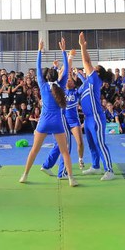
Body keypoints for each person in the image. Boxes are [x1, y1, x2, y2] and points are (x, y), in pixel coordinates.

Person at [18, 38, 78, 187]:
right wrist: (64, 51)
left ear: (45, 77)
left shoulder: (43, 85)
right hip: (57, 123)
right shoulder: (62, 84)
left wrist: (39, 50)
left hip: (44, 122)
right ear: (57, 76)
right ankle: (71, 179)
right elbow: (67, 70)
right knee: (65, 152)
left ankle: (25, 175)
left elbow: (37, 67)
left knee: (34, 150)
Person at [42, 49, 86, 177]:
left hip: (66, 120)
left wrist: (61, 63)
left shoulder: (73, 91)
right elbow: (65, 72)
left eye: (71, 80)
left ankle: (47, 165)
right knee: (66, 145)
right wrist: (69, 57)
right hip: (62, 120)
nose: (69, 80)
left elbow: (64, 73)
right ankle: (62, 172)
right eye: (68, 79)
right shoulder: (60, 89)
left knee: (63, 145)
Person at [77, 32, 116, 182]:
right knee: (91, 143)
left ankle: (109, 170)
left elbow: (86, 61)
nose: (91, 68)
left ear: (97, 72)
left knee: (100, 143)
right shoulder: (87, 82)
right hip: (87, 119)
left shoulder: (95, 80)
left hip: (96, 118)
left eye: (94, 68)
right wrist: (79, 76)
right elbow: (81, 86)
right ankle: (95, 166)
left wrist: (82, 47)